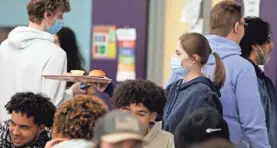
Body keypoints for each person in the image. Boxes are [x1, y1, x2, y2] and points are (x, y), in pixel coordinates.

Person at [167, 1, 270, 147]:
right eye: (243, 25)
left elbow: (166, 106)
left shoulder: (185, 60)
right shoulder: (242, 68)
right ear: (236, 27)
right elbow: (253, 126)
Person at [0, 0, 84, 121]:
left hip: (3, 130)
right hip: (33, 132)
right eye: (60, 15)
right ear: (48, 15)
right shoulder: (56, 54)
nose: (61, 20)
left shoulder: (4, 46)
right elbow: (51, 105)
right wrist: (71, 93)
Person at [162, 33, 224, 134]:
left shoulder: (203, 94)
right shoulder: (173, 87)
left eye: (178, 53)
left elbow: (206, 138)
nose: (173, 57)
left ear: (194, 59)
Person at [240, 17, 277, 148]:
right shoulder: (248, 80)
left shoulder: (262, 80)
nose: (271, 46)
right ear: (255, 46)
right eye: (267, 41)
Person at [112, 79, 174, 148]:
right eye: (126, 111)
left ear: (152, 116)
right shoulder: (107, 139)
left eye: (140, 114)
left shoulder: (168, 141)